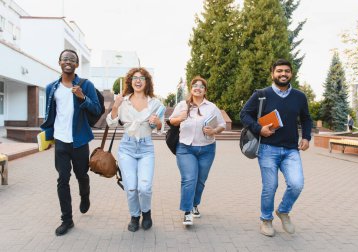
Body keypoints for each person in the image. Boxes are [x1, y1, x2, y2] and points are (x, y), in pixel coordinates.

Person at [240, 59, 312, 237]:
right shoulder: (261, 94)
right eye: (279, 71)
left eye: (287, 71)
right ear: (272, 73)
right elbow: (244, 114)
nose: (283, 74)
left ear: (291, 74)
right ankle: (266, 220)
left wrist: (307, 137)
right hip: (267, 149)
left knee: (296, 184)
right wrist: (259, 129)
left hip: (291, 150)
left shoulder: (299, 96)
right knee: (270, 186)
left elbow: (306, 118)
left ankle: (283, 211)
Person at [40, 49, 102, 236]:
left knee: (82, 175)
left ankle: (85, 196)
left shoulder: (86, 84)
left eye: (72, 59)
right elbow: (49, 113)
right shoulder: (52, 88)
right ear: (59, 62)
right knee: (62, 179)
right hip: (61, 141)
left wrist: (82, 98)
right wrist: (48, 136)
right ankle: (67, 220)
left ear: (76, 64)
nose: (68, 61)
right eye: (65, 59)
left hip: (80, 140)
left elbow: (97, 109)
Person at [106, 67, 165, 232]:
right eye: (134, 78)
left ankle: (146, 213)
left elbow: (161, 127)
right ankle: (134, 215)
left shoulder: (155, 103)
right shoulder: (123, 101)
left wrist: (157, 122)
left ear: (147, 82)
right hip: (127, 147)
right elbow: (110, 123)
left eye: (142, 78)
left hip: (146, 147)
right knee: (131, 187)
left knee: (144, 187)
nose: (138, 80)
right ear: (130, 82)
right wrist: (116, 106)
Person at [169, 76, 226, 226]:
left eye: (201, 86)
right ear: (191, 89)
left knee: (200, 180)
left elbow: (222, 125)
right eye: (195, 85)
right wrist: (180, 118)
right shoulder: (182, 105)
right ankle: (187, 212)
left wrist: (213, 131)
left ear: (205, 91)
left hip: (207, 149)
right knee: (189, 179)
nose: (198, 88)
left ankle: (194, 204)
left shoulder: (211, 107)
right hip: (185, 148)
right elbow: (171, 121)